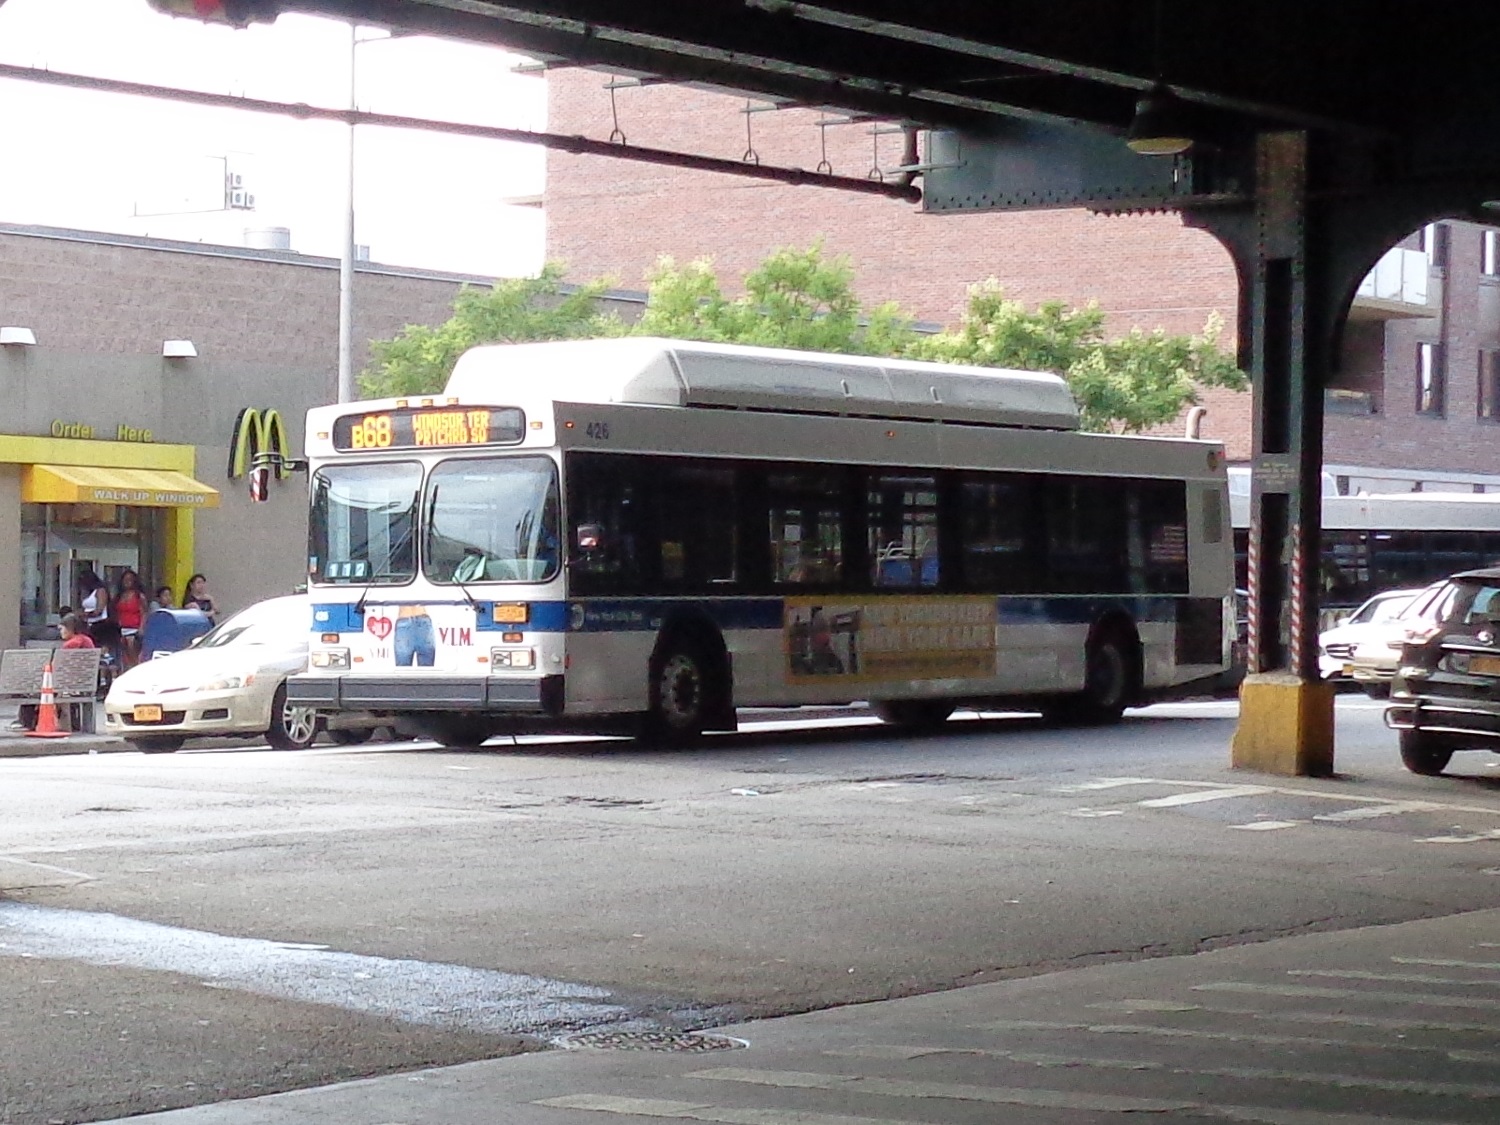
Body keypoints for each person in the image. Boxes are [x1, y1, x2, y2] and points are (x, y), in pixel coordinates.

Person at [114, 569, 147, 668]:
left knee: (133, 654)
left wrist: (141, 628)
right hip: (122, 628)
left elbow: (144, 613)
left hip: (134, 629)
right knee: (124, 656)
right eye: (125, 579)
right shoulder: (119, 596)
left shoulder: (139, 596)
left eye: (130, 580)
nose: (127, 582)